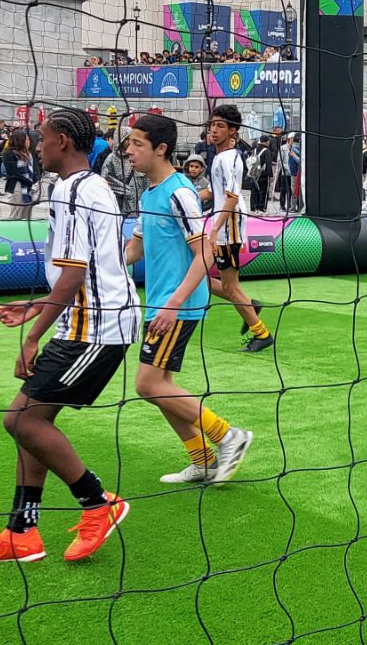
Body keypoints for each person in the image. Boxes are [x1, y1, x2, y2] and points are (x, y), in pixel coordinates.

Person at [0, 108, 136, 566]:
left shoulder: (73, 189)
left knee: (22, 420)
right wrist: (37, 306)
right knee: (30, 422)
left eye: (41, 139)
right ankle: (22, 531)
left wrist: (33, 335)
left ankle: (99, 503)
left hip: (96, 326)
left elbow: (76, 274)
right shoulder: (90, 186)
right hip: (85, 319)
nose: (37, 147)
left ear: (61, 140)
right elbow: (83, 269)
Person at [122, 115, 253, 484]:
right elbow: (135, 249)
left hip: (178, 304)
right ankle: (204, 459)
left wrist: (174, 303)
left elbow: (206, 253)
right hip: (162, 301)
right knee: (160, 386)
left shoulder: (180, 191)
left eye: (136, 144)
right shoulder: (150, 194)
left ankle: (229, 436)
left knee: (148, 385)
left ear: (160, 149)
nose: (128, 151)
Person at [207, 105, 274, 352]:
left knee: (228, 285)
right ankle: (249, 305)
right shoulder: (219, 156)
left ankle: (261, 333)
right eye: (212, 124)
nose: (214, 130)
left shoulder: (231, 158)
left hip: (229, 227)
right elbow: (215, 192)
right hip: (223, 224)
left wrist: (215, 230)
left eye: (220, 126)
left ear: (233, 131)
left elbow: (232, 197)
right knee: (204, 281)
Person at [102, 126, 147, 217]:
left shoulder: (138, 157)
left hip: (141, 207)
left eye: (132, 139)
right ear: (120, 140)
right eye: (127, 139)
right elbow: (105, 181)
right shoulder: (111, 159)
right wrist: (125, 190)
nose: (130, 142)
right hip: (121, 207)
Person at [2, 129, 35, 220]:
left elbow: (32, 170)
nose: (29, 142)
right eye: (27, 140)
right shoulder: (9, 153)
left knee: (27, 213)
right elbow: (13, 173)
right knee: (17, 213)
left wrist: (34, 181)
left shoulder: (28, 153)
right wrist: (29, 182)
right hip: (16, 185)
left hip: (28, 186)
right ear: (20, 140)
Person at [248, 135, 274, 213]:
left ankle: (253, 208)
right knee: (263, 191)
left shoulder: (254, 150)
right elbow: (268, 164)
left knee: (254, 191)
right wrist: (270, 175)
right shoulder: (266, 151)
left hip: (254, 174)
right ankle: (261, 208)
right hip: (263, 174)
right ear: (267, 142)